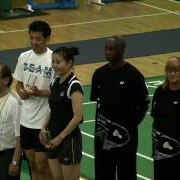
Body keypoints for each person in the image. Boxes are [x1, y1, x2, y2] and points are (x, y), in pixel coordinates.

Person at [90, 36, 149, 180]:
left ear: (121, 50)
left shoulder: (134, 76)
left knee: (126, 175)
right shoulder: (99, 74)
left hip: (125, 140)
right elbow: (96, 100)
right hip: (102, 138)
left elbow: (144, 104)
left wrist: (130, 125)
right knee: (103, 174)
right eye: (106, 48)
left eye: (112, 49)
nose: (107, 52)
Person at [13, 20, 53, 180]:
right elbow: (18, 83)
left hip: (46, 122)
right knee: (32, 163)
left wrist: (38, 93)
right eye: (31, 38)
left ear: (47, 38)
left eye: (38, 39)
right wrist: (22, 92)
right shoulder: (24, 57)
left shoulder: (53, 59)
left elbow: (58, 92)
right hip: (25, 120)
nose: (33, 42)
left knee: (44, 165)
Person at [39, 46, 83, 180]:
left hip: (68, 140)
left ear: (69, 63)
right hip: (53, 137)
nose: (54, 65)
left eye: (58, 62)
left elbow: (77, 117)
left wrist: (60, 137)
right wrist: (43, 127)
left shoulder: (74, 85)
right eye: (53, 62)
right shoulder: (54, 82)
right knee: (57, 178)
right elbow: (53, 109)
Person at [151, 56, 180, 180]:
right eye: (169, 70)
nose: (172, 73)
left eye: (176, 70)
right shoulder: (160, 91)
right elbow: (155, 117)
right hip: (160, 151)